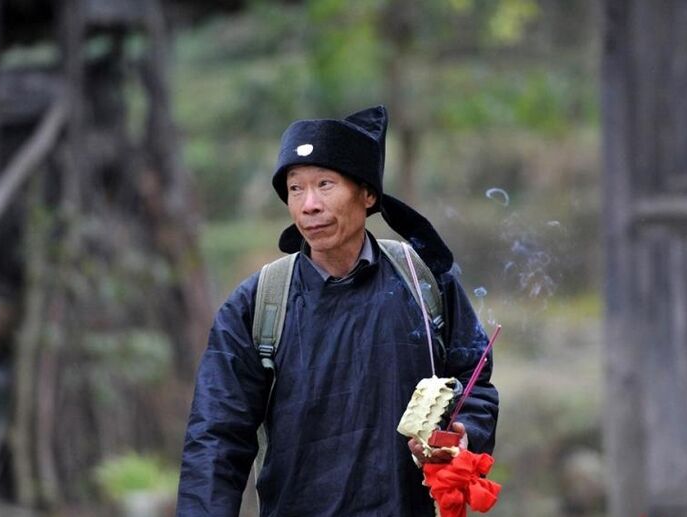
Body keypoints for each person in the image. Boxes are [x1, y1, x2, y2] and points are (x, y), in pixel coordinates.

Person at [177, 105, 498, 516]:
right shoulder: (259, 303)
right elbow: (216, 437)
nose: (309, 204)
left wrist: (464, 435)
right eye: (296, 188)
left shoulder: (422, 282)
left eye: (325, 184)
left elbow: (473, 380)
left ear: (367, 194)